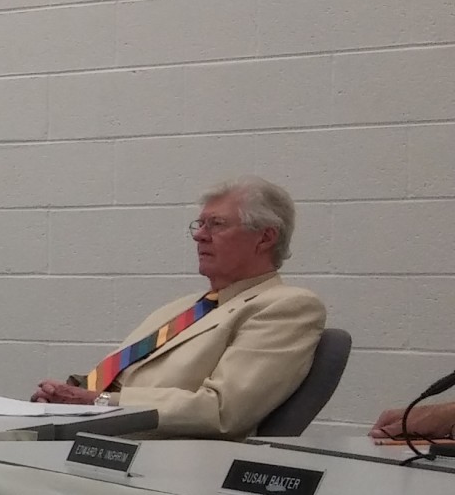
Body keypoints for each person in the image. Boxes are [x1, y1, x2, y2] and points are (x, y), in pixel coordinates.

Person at [31, 177, 326, 439]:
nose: (200, 236)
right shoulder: (183, 308)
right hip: (95, 437)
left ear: (265, 237)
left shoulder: (287, 306)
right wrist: (62, 394)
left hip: (161, 459)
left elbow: (223, 410)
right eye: (200, 225)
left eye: (217, 224)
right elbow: (115, 379)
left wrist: (98, 403)